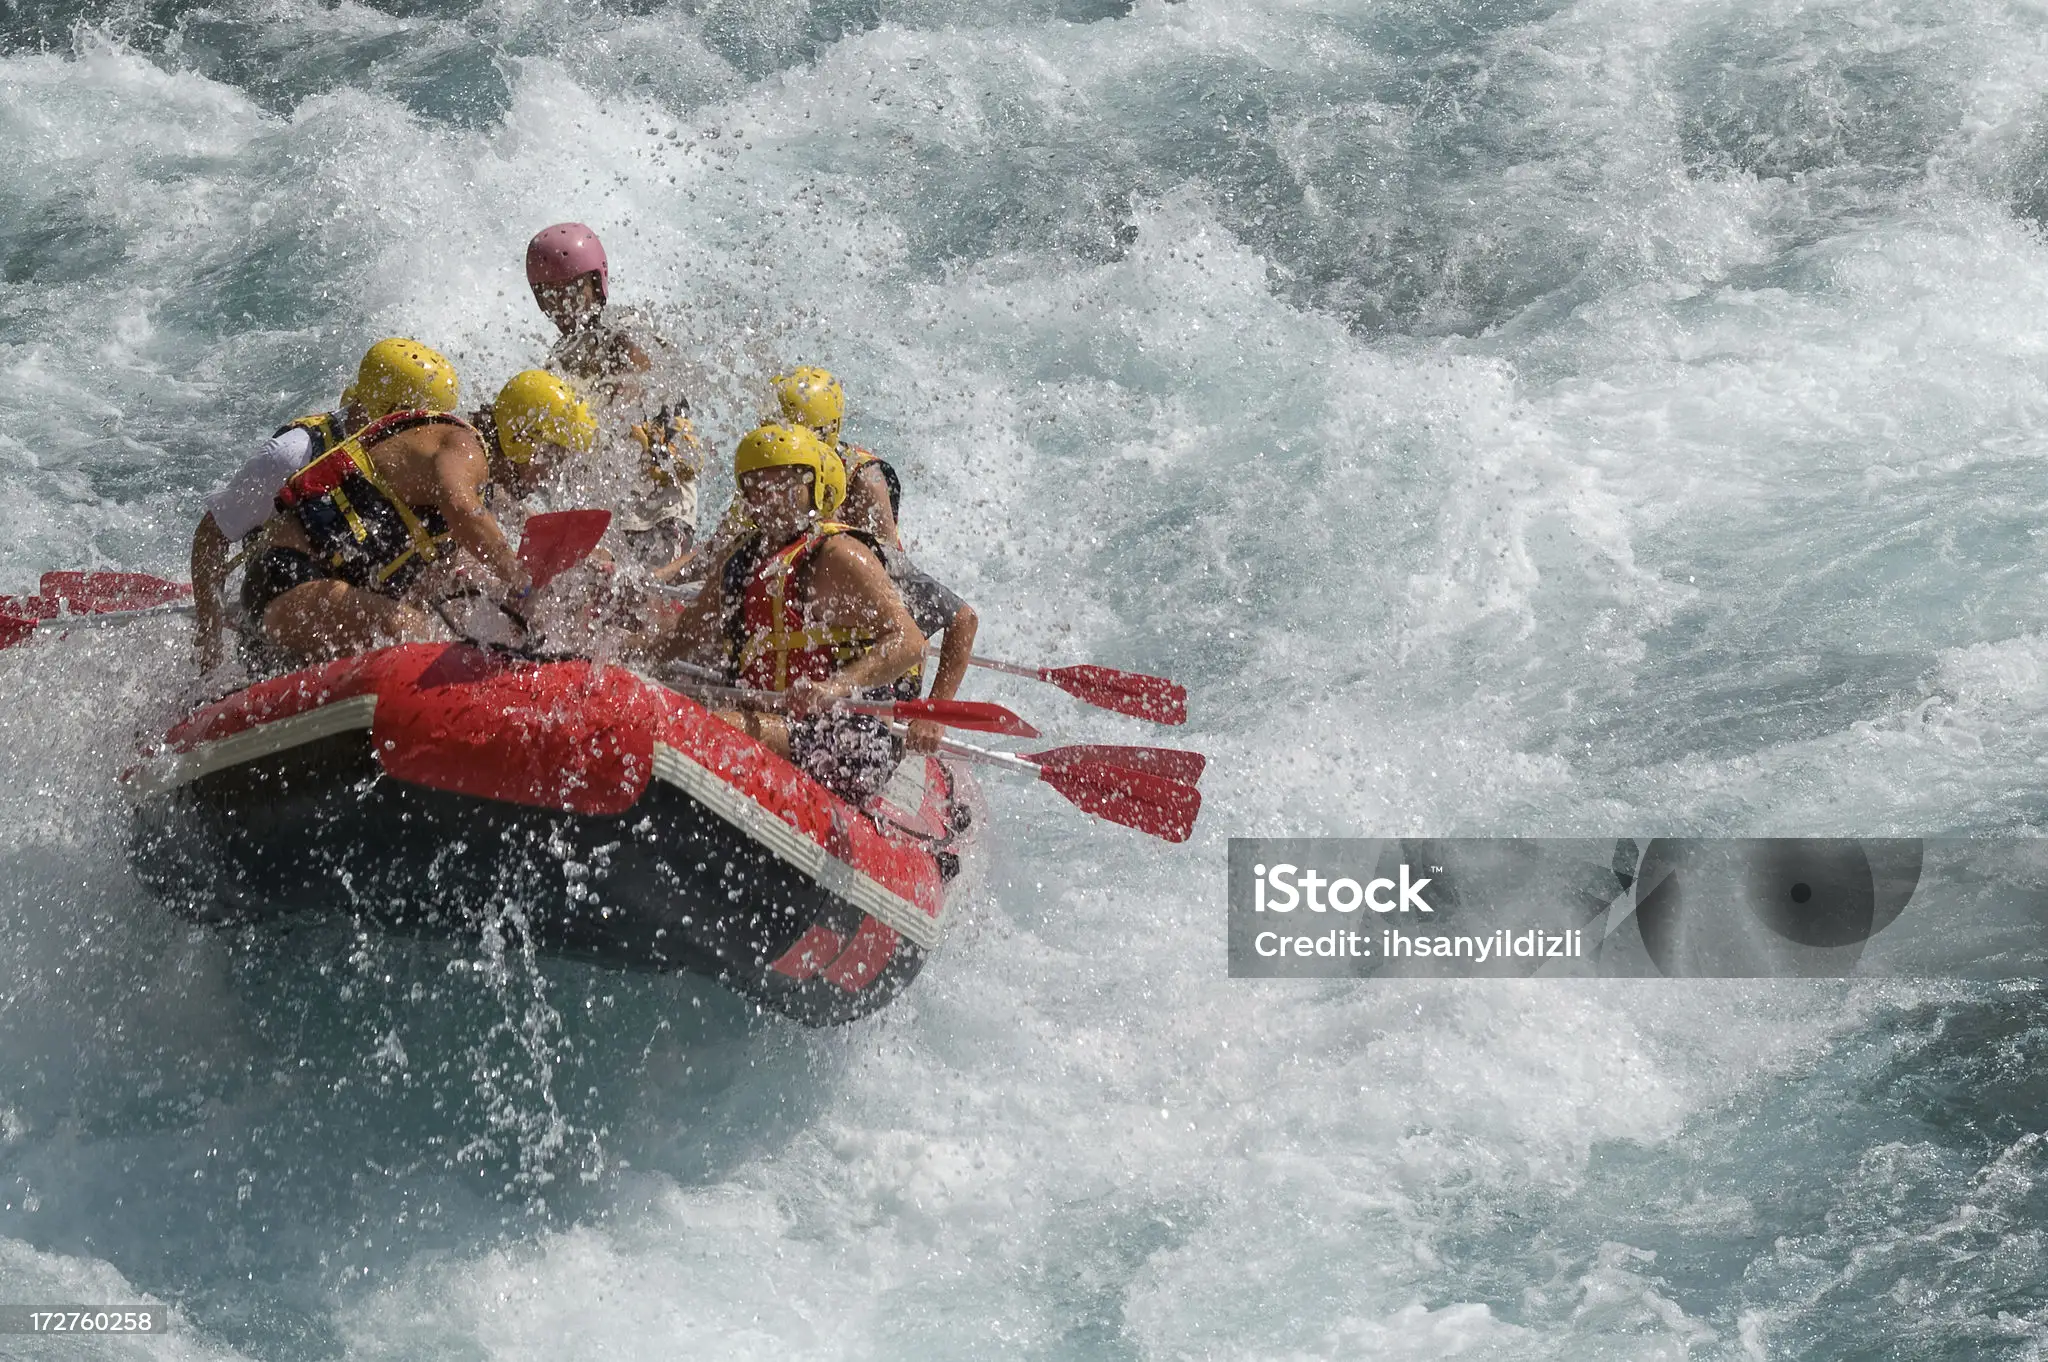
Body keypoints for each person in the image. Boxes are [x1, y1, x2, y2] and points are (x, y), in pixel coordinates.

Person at [643, 422, 925, 806]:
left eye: (787, 485)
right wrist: (612, 654)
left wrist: (835, 687)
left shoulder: (840, 554)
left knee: (716, 725)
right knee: (673, 704)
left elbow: (910, 643)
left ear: (814, 486)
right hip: (778, 720)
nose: (772, 498)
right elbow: (682, 634)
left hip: (847, 734)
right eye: (758, 487)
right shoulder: (742, 560)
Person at [242, 367, 595, 662]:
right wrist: (520, 578)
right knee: (417, 632)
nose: (549, 475)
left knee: (444, 626)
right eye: (552, 458)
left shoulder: (478, 482)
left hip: (316, 593)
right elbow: (463, 510)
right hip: (286, 581)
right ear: (523, 439)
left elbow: (437, 580)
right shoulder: (463, 447)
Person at [191, 338, 459, 668]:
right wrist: (209, 634)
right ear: (391, 413)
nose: (437, 437)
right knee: (410, 629)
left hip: (352, 591)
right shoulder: (292, 455)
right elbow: (211, 535)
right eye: (425, 423)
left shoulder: (416, 460)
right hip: (285, 593)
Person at [770, 366, 979, 754]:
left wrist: (932, 713)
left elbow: (960, 617)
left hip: (883, 654)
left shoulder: (861, 492)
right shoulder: (772, 477)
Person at [526, 222, 703, 573]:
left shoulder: (625, 327)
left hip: (661, 498)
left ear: (596, 284)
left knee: (648, 585)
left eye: (573, 292)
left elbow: (635, 379)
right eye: (550, 296)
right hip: (614, 498)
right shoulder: (560, 355)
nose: (564, 306)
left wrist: (609, 407)